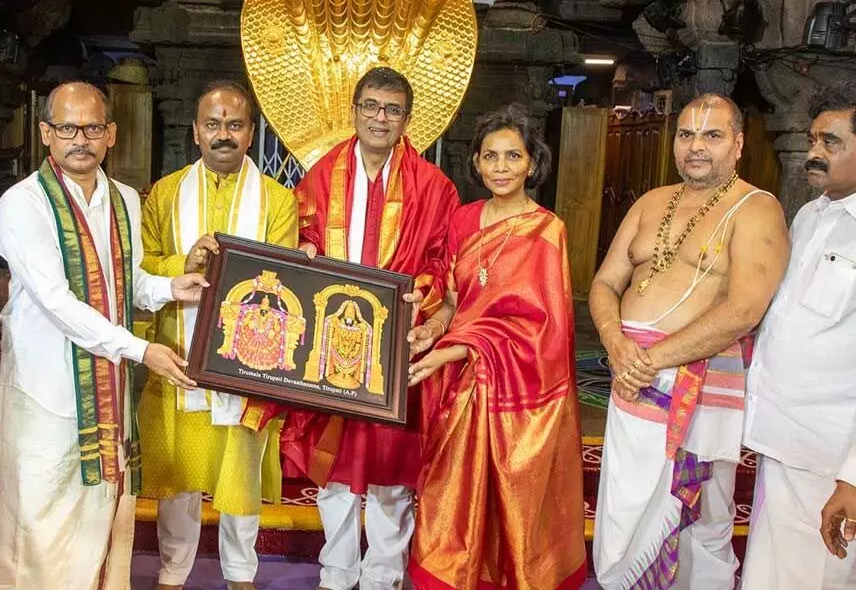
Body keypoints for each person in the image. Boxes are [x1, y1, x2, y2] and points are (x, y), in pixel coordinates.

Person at [244, 66, 459, 590]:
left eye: (391, 110)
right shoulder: (321, 175)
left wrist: (422, 294)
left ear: (407, 119)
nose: (379, 118)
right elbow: (304, 236)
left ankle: (384, 574)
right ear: (355, 110)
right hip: (332, 347)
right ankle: (337, 572)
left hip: (394, 348)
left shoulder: (434, 187)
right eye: (370, 106)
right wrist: (306, 252)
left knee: (391, 468)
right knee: (336, 467)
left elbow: (444, 264)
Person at [0, 81, 209, 589]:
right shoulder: (23, 203)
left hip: (106, 388)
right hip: (45, 394)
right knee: (37, 526)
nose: (80, 139)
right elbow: (58, 301)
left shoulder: (125, 198)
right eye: (67, 128)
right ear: (46, 133)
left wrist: (174, 287)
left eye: (91, 127)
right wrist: (141, 350)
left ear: (111, 134)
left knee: (100, 521)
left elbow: (125, 282)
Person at [590, 93, 790, 589]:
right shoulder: (650, 201)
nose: (695, 146)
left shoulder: (757, 208)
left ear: (739, 144)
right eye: (686, 134)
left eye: (712, 135)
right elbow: (604, 283)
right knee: (622, 506)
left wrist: (652, 359)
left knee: (702, 523)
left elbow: (745, 309)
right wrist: (616, 342)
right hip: (629, 375)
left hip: (694, 382)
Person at [405, 105, 586, 589]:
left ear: (532, 163)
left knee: (514, 504)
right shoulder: (464, 220)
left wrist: (455, 349)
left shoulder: (547, 231)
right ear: (477, 164)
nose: (501, 167)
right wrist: (434, 328)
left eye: (513, 156)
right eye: (491, 157)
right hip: (459, 388)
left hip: (518, 395)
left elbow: (541, 329)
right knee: (453, 498)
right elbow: (451, 297)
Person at [139, 80, 298, 590]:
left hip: (246, 361)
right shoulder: (165, 193)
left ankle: (241, 574)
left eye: (234, 125)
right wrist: (180, 264)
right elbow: (141, 268)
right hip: (179, 353)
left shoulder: (277, 200)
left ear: (251, 133)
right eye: (213, 124)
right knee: (178, 474)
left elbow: (285, 275)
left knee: (240, 472)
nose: (223, 134)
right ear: (195, 131)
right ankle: (172, 571)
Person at [741, 82, 856, 588]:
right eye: (813, 139)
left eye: (831, 142)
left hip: (829, 458)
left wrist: (853, 477)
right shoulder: (811, 216)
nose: (814, 152)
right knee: (773, 571)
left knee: (819, 574)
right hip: (783, 438)